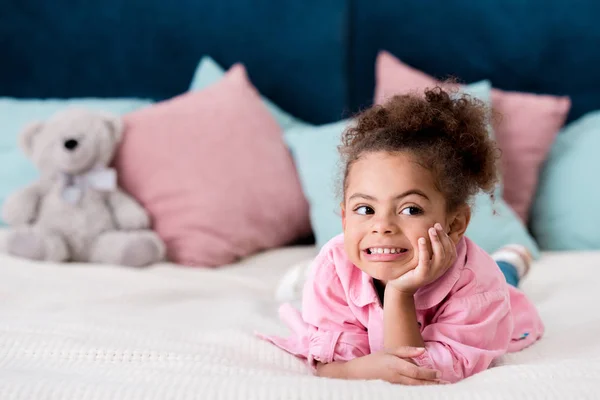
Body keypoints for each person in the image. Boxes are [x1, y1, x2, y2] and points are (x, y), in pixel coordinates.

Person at [258, 86, 544, 385]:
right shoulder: (334, 266)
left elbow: (416, 372)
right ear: (344, 218)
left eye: (410, 210)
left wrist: (399, 292)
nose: (382, 226)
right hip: (340, 271)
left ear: (455, 223)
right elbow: (330, 363)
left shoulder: (479, 285)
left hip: (490, 288)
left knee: (504, 279)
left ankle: (510, 262)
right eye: (365, 209)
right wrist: (354, 369)